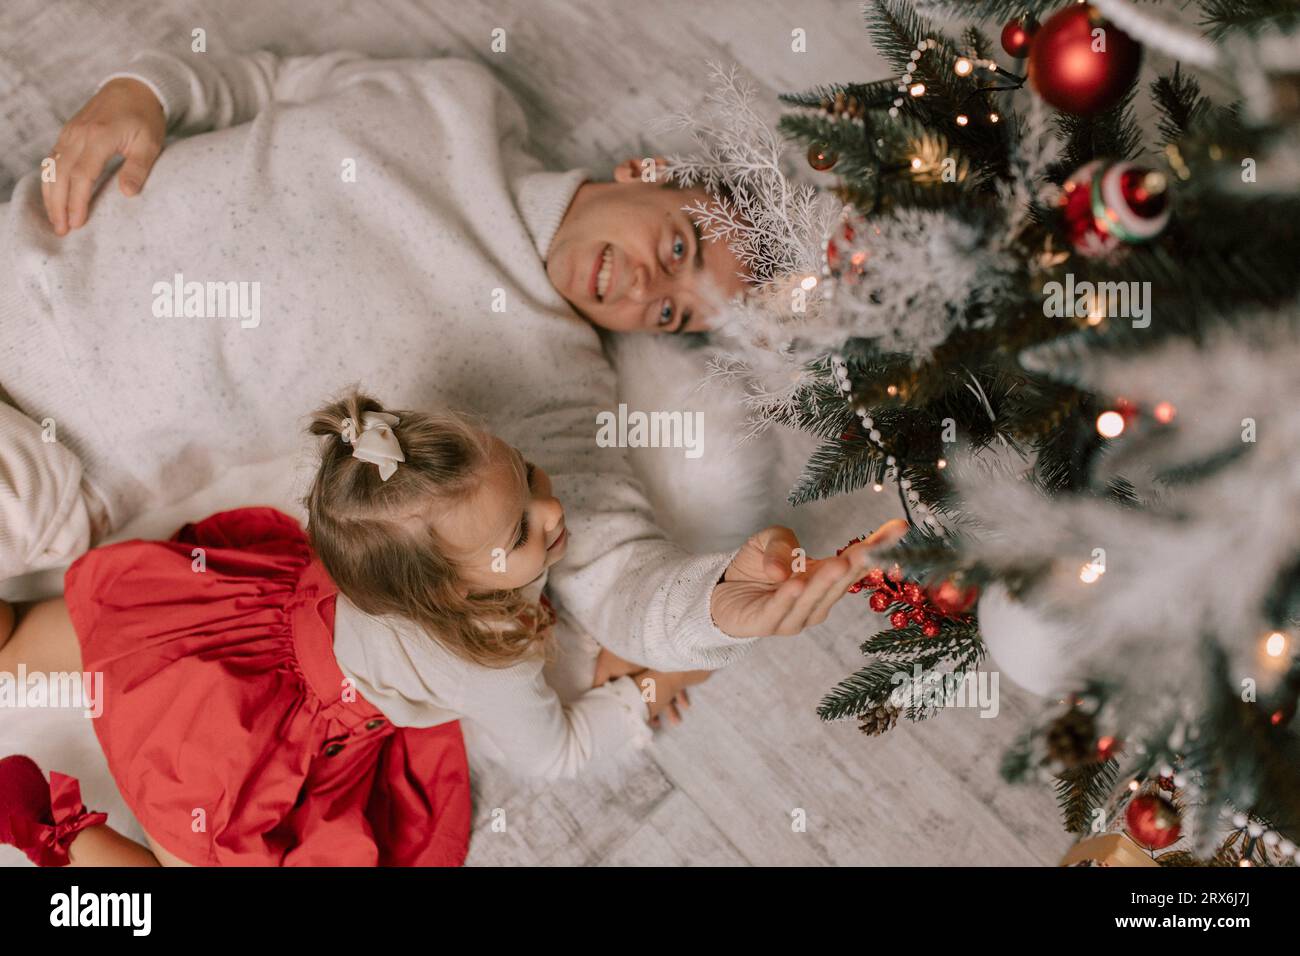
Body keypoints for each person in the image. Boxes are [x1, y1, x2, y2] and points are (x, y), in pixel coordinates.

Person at [0, 48, 899, 691]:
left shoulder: (542, 385)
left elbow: (615, 575)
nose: (646, 285)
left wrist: (711, 613)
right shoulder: (459, 97)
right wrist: (143, 88)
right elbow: (262, 80)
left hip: (42, 458)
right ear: (649, 172)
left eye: (671, 312)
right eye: (678, 243)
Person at [0, 389, 728, 866]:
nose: (555, 510)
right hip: (250, 750)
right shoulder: (487, 662)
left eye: (534, 481)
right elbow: (556, 751)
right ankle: (60, 835)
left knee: (96, 631)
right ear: (442, 591)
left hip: (230, 623)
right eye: (525, 524)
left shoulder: (393, 533)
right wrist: (644, 689)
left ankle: (9, 639)